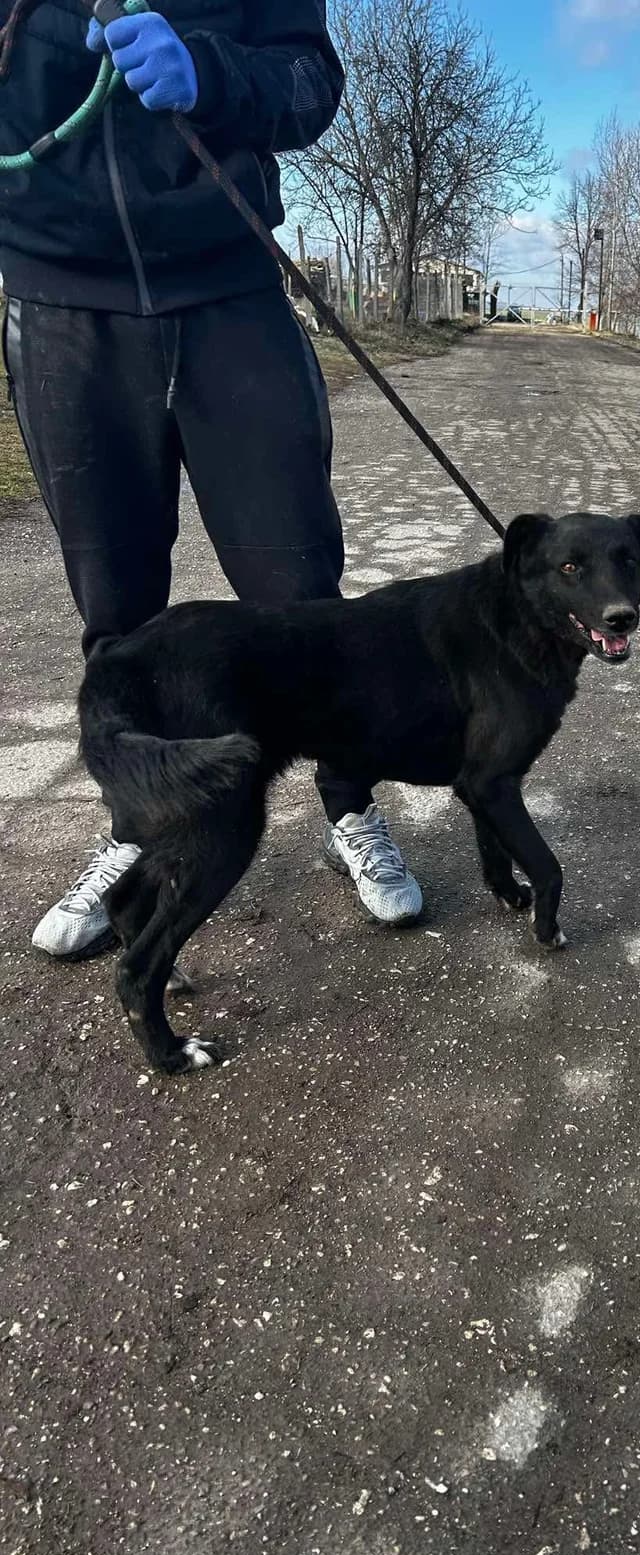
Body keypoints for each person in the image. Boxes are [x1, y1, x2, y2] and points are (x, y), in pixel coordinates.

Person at [0, 0, 423, 957]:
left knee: (303, 597)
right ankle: (138, 827)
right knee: (117, 619)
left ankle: (349, 809)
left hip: (229, 287)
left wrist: (208, 70)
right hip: (59, 298)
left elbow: (310, 84)